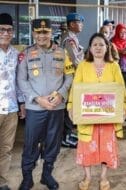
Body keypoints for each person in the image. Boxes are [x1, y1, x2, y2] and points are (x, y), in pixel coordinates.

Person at [17, 18, 74, 190]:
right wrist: (37, 98)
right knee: (31, 143)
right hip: (35, 108)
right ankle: (27, 177)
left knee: (53, 142)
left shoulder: (62, 53)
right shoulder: (26, 54)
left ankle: (46, 174)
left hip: (56, 107)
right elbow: (21, 80)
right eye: (38, 32)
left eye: (45, 32)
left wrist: (61, 95)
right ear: (33, 33)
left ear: (51, 33)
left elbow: (70, 76)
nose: (42, 36)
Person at [67, 33, 126, 190]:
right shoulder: (83, 66)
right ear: (90, 48)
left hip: (108, 117)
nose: (99, 47)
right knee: (86, 147)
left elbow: (121, 90)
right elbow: (75, 89)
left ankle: (103, 177)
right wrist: (71, 106)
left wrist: (123, 108)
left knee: (106, 147)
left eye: (102, 44)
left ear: (107, 47)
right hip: (88, 117)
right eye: (95, 45)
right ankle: (87, 177)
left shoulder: (114, 66)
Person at [0, 13, 25, 190]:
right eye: (2, 29)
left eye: (9, 30)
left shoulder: (16, 54)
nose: (6, 33)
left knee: (6, 148)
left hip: (10, 109)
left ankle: (1, 181)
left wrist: (22, 104)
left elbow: (18, 82)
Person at [61, 12, 84, 148]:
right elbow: (75, 60)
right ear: (71, 24)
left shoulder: (72, 37)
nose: (81, 25)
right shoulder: (69, 39)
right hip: (68, 77)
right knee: (68, 106)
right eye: (79, 22)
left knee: (70, 105)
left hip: (70, 76)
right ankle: (66, 136)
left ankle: (68, 133)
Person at [112, 23, 126, 92]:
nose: (123, 34)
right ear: (117, 32)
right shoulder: (112, 42)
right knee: (117, 89)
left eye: (125, 32)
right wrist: (120, 51)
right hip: (116, 69)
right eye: (121, 32)